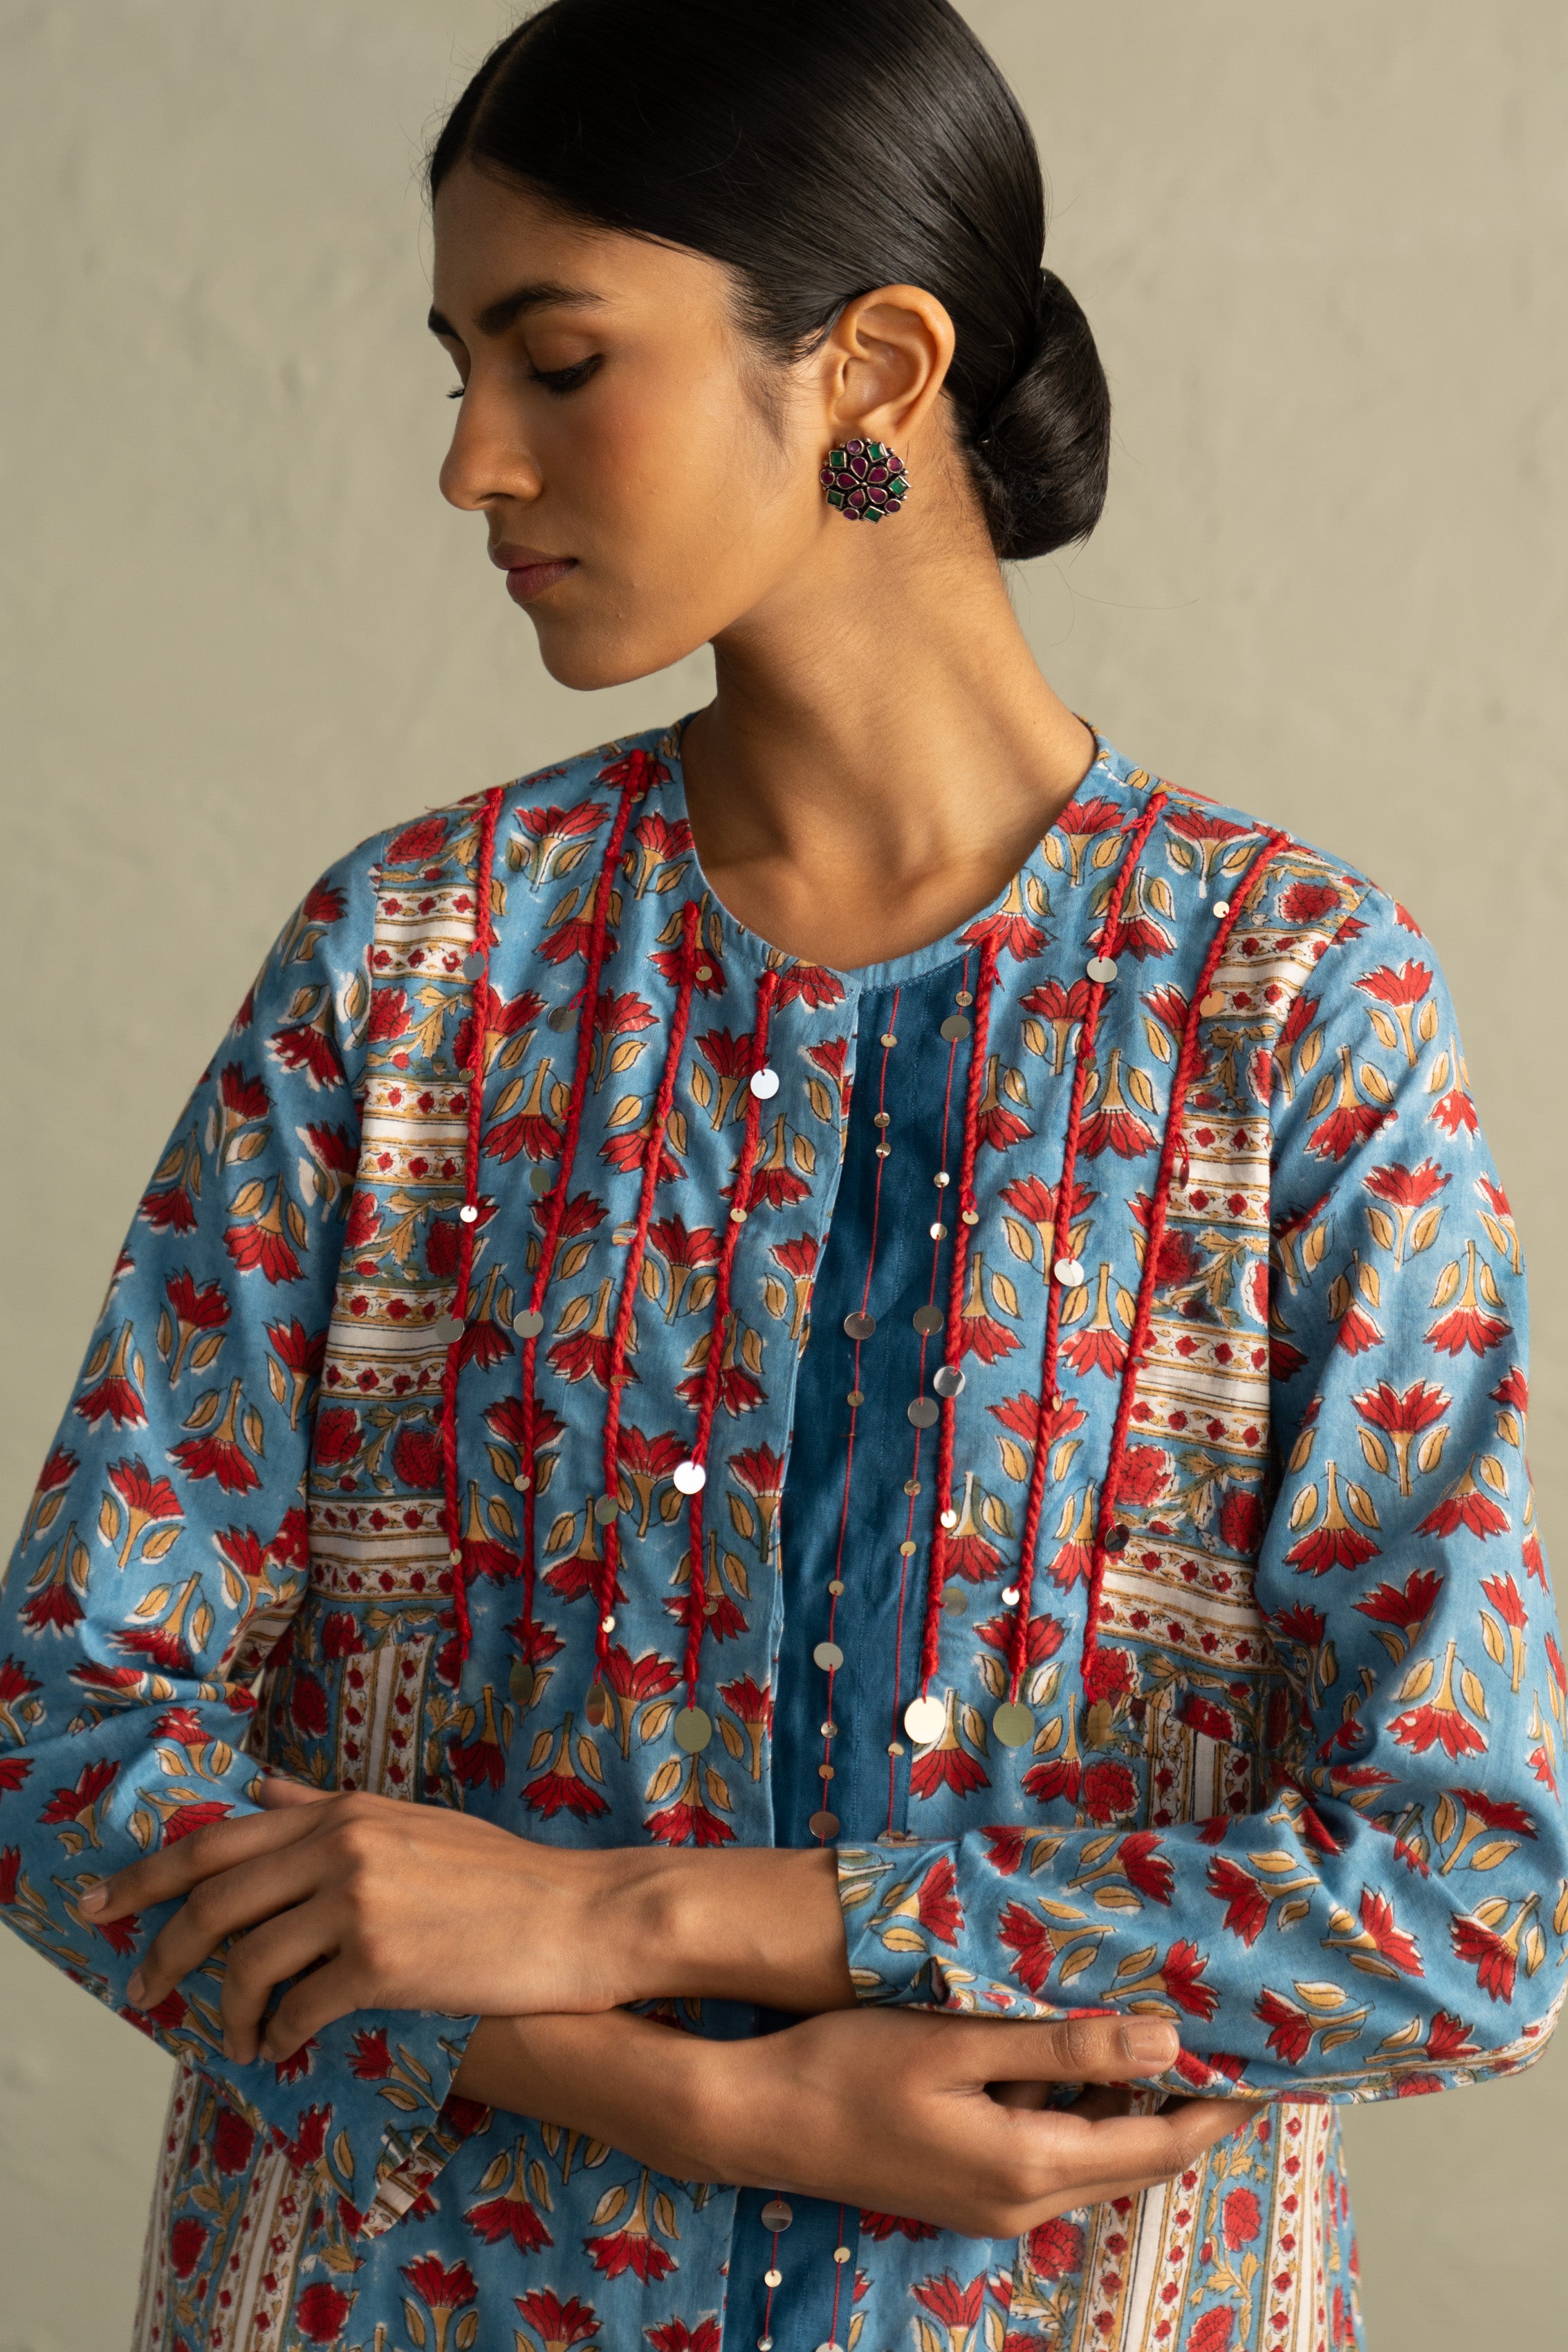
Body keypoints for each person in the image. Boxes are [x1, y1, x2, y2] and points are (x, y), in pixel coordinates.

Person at [3, 3, 1563, 2347]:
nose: (470, 460)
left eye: (555, 362)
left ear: (873, 368)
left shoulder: (1282, 1001)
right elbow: (66, 1740)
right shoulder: (417, 963)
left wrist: (633, 1917)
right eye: (460, 367)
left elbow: (1460, 1904)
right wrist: (696, 2102)